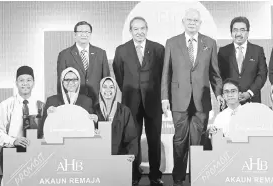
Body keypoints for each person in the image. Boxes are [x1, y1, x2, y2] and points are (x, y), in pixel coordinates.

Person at [160, 8, 224, 186]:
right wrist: (164, 98)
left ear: (200, 23)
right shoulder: (172, 42)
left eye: (195, 20)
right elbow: (166, 73)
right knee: (179, 140)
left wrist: (218, 94)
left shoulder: (209, 43)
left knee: (198, 141)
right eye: (189, 20)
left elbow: (215, 73)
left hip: (201, 101)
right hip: (178, 100)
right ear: (183, 21)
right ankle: (178, 179)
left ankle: (197, 177)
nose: (192, 23)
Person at [112, 16, 165, 186]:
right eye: (136, 29)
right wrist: (131, 90)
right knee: (131, 140)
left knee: (154, 139)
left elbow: (164, 76)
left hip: (153, 102)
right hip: (131, 102)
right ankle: (134, 174)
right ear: (130, 31)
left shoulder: (158, 49)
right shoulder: (121, 50)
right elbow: (119, 75)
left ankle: (155, 175)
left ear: (147, 29)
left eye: (142, 28)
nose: (139, 32)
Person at [0, 66, 44, 172]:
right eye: (21, 80)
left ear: (33, 83)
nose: (25, 83)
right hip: (11, 151)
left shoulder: (41, 105)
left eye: (29, 80)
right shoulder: (5, 105)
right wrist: (14, 141)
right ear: (16, 83)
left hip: (34, 154)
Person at [93, 77, 140, 183]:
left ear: (115, 90)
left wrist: (132, 154)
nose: (108, 90)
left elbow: (131, 137)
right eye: (104, 87)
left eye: (111, 87)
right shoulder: (94, 110)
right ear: (100, 90)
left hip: (119, 159)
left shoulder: (124, 111)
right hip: (99, 161)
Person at [56, 21, 110, 104]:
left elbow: (106, 79)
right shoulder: (64, 54)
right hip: (73, 101)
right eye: (80, 32)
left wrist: (106, 101)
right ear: (75, 35)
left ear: (90, 34)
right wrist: (63, 104)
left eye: (87, 32)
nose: (84, 34)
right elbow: (61, 82)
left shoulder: (101, 53)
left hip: (96, 101)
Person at [218, 16, 267, 104]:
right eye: (235, 30)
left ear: (248, 32)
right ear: (231, 32)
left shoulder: (257, 50)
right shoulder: (223, 51)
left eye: (242, 30)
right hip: (229, 102)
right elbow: (218, 76)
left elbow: (262, 75)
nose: (239, 33)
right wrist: (224, 94)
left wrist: (249, 93)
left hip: (252, 101)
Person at [39, 67, 97, 138]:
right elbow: (42, 131)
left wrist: (95, 120)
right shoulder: (52, 101)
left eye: (74, 79)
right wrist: (49, 116)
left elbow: (92, 128)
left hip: (80, 143)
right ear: (62, 82)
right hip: (58, 144)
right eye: (67, 80)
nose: (70, 83)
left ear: (79, 81)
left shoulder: (87, 101)